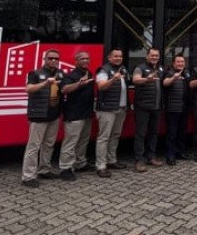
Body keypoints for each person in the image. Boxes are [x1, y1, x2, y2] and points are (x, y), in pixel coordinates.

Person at [21, 49, 64, 187]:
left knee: (49, 144)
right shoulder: (35, 73)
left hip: (54, 115)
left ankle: (44, 170)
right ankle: (28, 176)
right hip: (39, 115)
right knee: (34, 146)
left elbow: (63, 90)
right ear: (44, 59)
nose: (53, 61)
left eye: (56, 59)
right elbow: (28, 89)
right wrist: (45, 83)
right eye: (50, 58)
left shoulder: (60, 73)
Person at [59, 51, 96, 180]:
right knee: (70, 142)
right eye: (82, 58)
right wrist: (79, 83)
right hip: (74, 114)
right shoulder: (70, 75)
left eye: (87, 58)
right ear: (76, 61)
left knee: (83, 141)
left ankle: (80, 163)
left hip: (86, 113)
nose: (85, 61)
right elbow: (64, 89)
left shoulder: (89, 73)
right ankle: (65, 168)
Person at [94, 48, 130, 177]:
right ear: (109, 58)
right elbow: (101, 86)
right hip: (107, 109)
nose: (118, 58)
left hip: (121, 108)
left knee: (115, 135)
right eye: (115, 56)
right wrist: (113, 79)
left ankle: (111, 160)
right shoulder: (103, 70)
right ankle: (101, 166)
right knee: (104, 137)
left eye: (120, 56)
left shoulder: (123, 69)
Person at [132, 47, 165, 172]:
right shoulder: (140, 68)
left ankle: (151, 157)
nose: (154, 57)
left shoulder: (160, 69)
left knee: (154, 133)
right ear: (147, 56)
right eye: (152, 55)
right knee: (140, 134)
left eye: (156, 55)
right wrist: (147, 79)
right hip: (143, 107)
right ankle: (139, 160)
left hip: (156, 107)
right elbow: (135, 79)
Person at [163, 53, 191, 166]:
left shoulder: (186, 73)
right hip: (173, 108)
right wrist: (174, 78)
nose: (180, 64)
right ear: (173, 63)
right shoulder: (169, 72)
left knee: (181, 132)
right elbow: (165, 83)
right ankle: (170, 155)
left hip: (184, 107)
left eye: (182, 62)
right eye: (178, 62)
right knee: (172, 133)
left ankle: (180, 152)